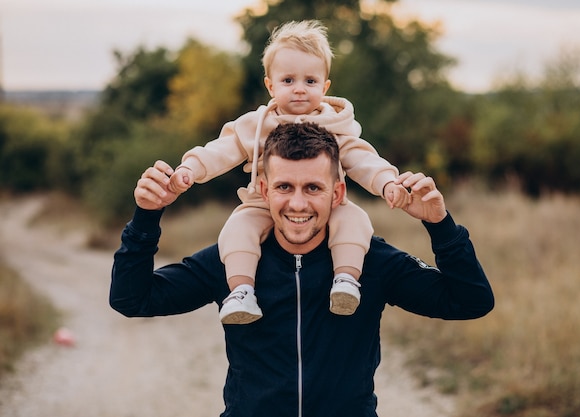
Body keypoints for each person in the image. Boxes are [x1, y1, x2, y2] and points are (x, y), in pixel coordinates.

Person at [110, 122, 495, 417]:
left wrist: (440, 224)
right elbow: (132, 298)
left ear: (337, 193)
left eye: (313, 188)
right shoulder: (233, 260)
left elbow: (470, 301)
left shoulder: (370, 262)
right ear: (263, 189)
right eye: (284, 188)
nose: (297, 203)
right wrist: (147, 215)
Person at [166, 20, 410, 324]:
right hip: (263, 201)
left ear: (325, 86)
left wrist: (387, 183)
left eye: (310, 81)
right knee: (237, 226)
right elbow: (220, 150)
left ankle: (346, 280)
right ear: (270, 85)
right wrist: (190, 169)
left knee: (355, 219)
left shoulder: (336, 127)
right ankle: (242, 291)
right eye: (288, 81)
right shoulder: (255, 125)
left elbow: (363, 160)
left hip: (324, 204)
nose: (299, 90)